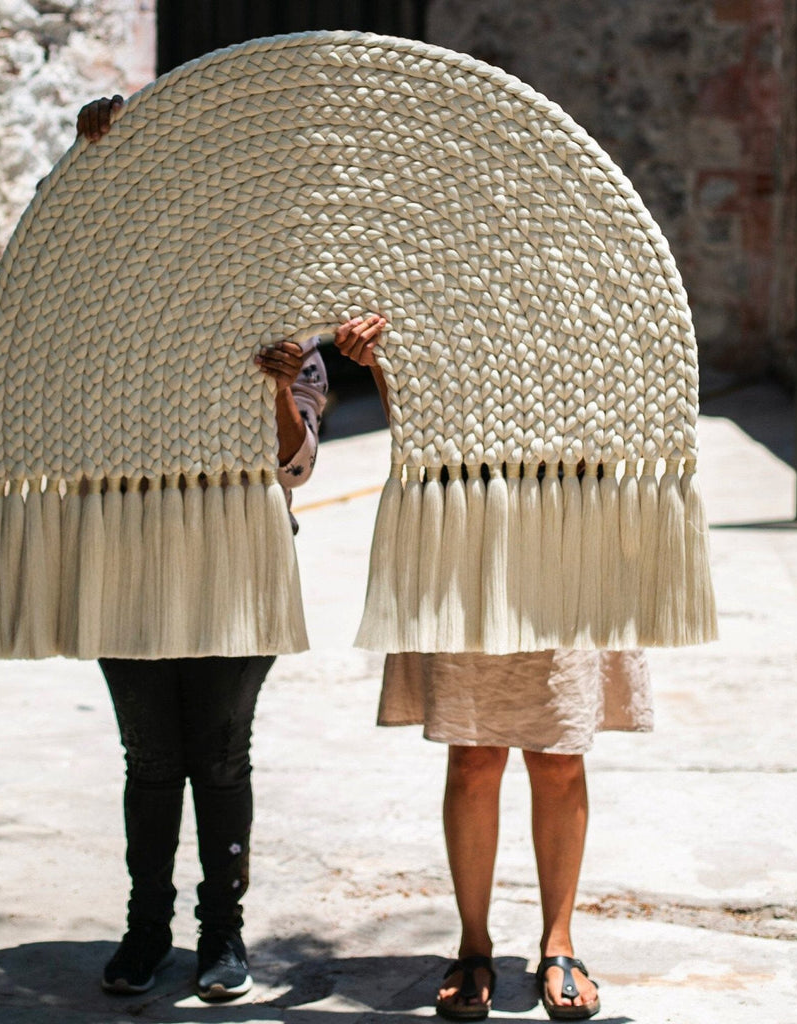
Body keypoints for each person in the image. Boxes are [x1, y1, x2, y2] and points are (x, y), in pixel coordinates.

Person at [76, 95, 374, 1002]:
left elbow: (295, 466)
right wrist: (92, 157)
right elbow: (62, 269)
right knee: (149, 759)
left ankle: (221, 935)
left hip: (242, 564)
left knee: (218, 755)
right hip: (132, 557)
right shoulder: (118, 325)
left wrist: (278, 386)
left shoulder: (287, 336)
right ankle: (146, 931)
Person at [334, 317, 653, 1022]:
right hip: (463, 529)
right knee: (473, 754)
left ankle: (559, 941)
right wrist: (378, 362)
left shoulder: (586, 294)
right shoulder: (442, 291)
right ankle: (473, 943)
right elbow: (417, 423)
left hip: (567, 526)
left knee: (559, 753)